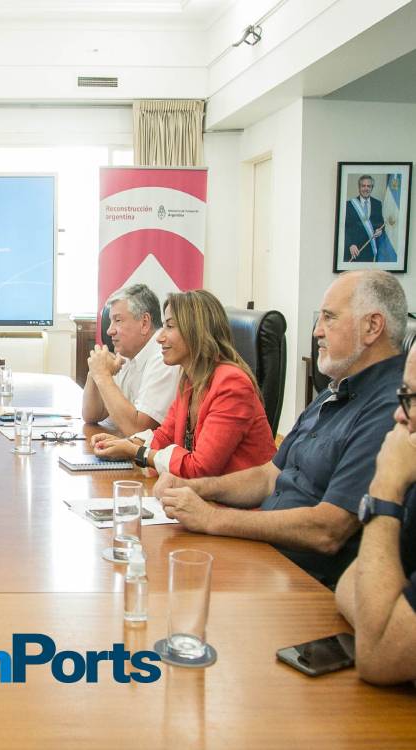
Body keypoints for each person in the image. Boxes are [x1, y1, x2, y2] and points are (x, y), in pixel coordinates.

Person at [154, 271, 407, 587]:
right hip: (266, 556)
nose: (316, 332)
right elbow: (268, 476)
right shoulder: (334, 391)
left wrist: (211, 518)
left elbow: (328, 530)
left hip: (304, 583)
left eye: (329, 318)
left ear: (372, 326)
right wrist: (197, 488)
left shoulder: (391, 410)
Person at [92, 289, 275, 478]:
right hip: (201, 496)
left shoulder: (232, 385)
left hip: (238, 504)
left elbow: (199, 467)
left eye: (170, 327)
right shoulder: (189, 379)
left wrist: (137, 452)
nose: (159, 337)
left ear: (196, 331)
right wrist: (128, 444)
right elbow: (164, 436)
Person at [334, 343, 416, 685]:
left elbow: (376, 658)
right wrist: (380, 620)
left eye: (412, 397)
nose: (400, 415)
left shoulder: (402, 471)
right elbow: (349, 583)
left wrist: (385, 488)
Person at [82, 283, 180, 435]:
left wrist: (102, 375)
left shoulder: (164, 357)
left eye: (118, 320)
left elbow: (138, 430)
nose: (109, 330)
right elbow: (92, 415)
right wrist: (94, 372)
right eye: (110, 321)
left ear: (144, 323)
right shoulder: (127, 354)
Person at [344, 175, 384, 263]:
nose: (366, 188)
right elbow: (344, 228)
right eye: (363, 186)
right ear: (359, 187)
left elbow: (381, 223)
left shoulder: (377, 204)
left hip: (371, 250)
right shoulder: (349, 205)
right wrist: (350, 244)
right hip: (354, 250)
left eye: (369, 186)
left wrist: (379, 230)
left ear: (372, 188)